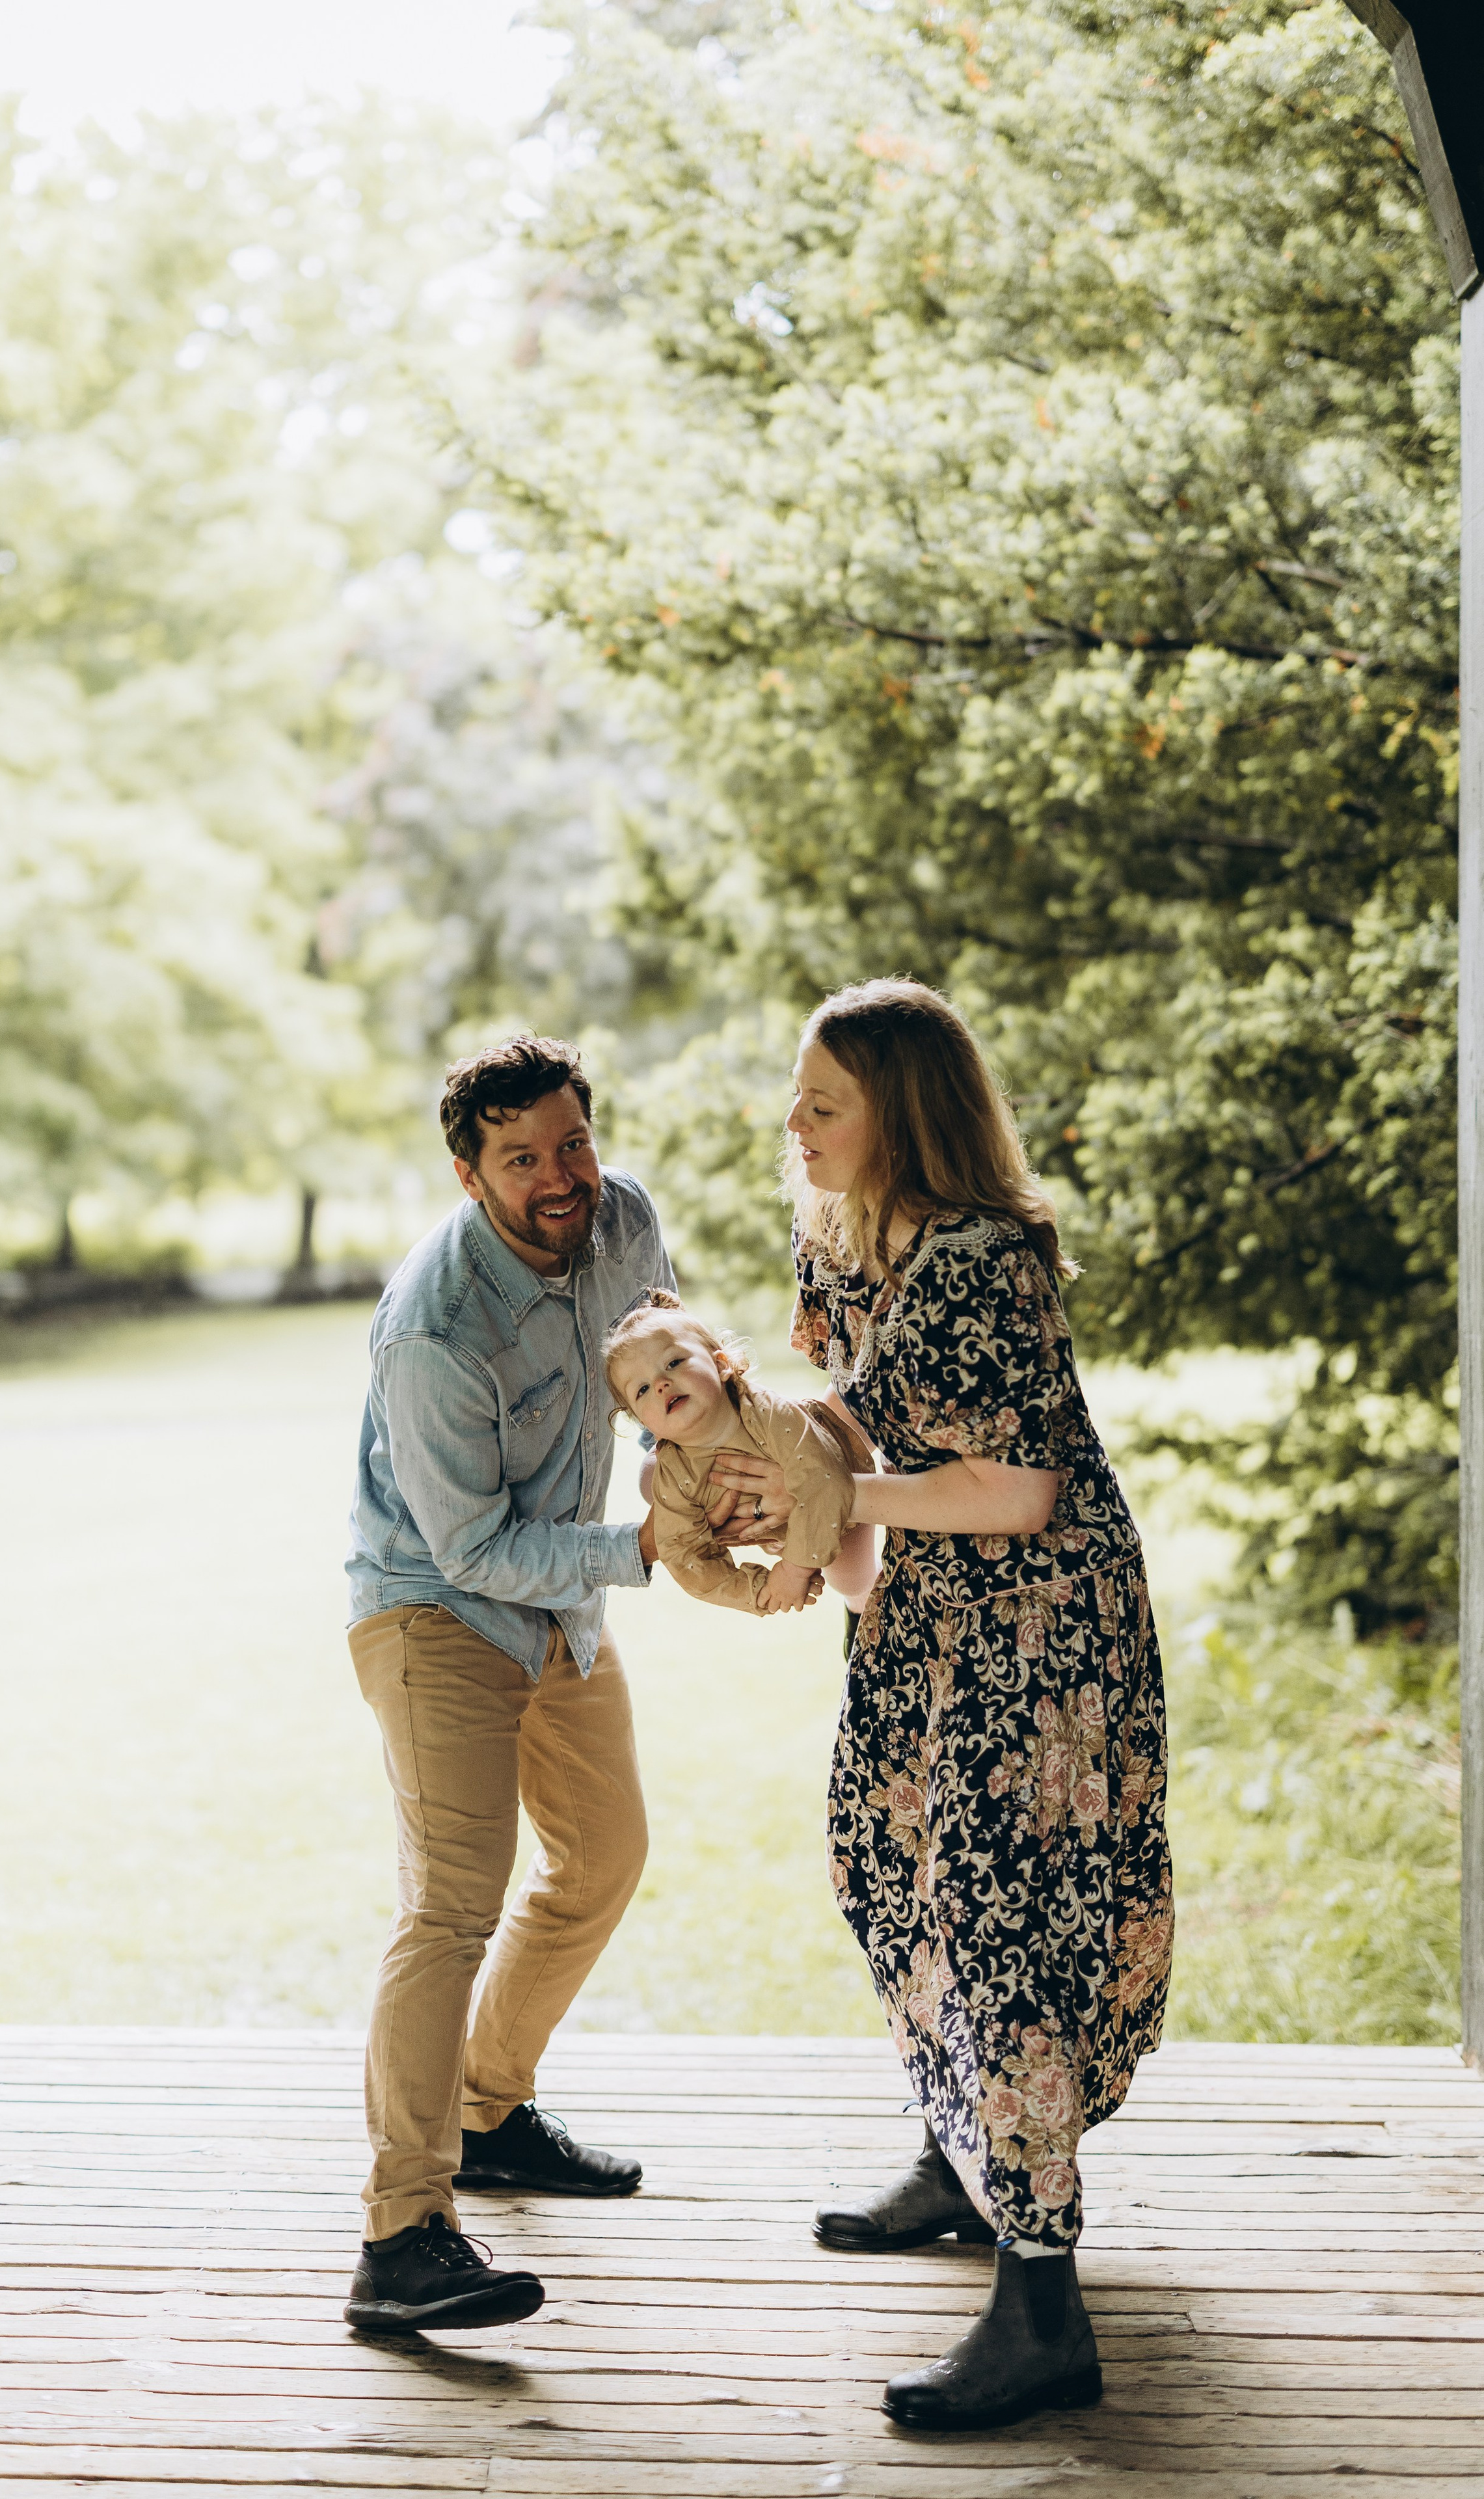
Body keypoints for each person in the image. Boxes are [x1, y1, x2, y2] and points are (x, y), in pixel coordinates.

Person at [705, 978, 1173, 2433]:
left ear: (901, 1117)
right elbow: (854, 1419)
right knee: (882, 1858)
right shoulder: (840, 1236)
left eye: (823, 1103)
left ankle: (1042, 2309)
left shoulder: (985, 1260)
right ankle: (961, 2153)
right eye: (797, 1095)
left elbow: (1016, 1490)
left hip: (1041, 1626)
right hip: (924, 1608)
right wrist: (787, 1498)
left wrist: (843, 1499)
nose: (792, 1123)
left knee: (1003, 1915)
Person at [341, 1035, 672, 2336]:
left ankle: (488, 2111)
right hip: (435, 1605)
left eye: (572, 1142)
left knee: (604, 1852)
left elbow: (668, 1371)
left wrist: (725, 1470)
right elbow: (472, 1546)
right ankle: (400, 2234)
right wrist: (643, 1548)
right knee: (448, 1909)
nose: (560, 1177)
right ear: (469, 1173)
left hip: (557, 1599)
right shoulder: (433, 1325)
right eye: (522, 1157)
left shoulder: (621, 1220)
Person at [604, 1288, 869, 1616]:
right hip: (775, 1526)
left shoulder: (767, 1412)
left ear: (721, 1365)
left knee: (852, 1579)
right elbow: (684, 1555)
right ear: (645, 1423)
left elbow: (824, 1479)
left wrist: (794, 1571)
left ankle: (861, 1605)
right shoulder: (673, 1474)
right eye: (642, 1389)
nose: (660, 1384)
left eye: (674, 1363)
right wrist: (759, 1591)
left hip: (846, 1495)